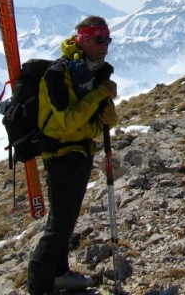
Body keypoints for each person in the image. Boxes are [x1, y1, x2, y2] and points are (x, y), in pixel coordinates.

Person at [27, 15, 119, 295]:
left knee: (65, 220)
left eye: (108, 40)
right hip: (61, 154)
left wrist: (109, 118)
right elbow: (67, 121)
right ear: (83, 40)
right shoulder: (60, 73)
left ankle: (58, 274)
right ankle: (40, 286)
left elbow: (93, 123)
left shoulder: (94, 72)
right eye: (99, 39)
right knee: (60, 224)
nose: (105, 46)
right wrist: (99, 95)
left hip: (79, 151)